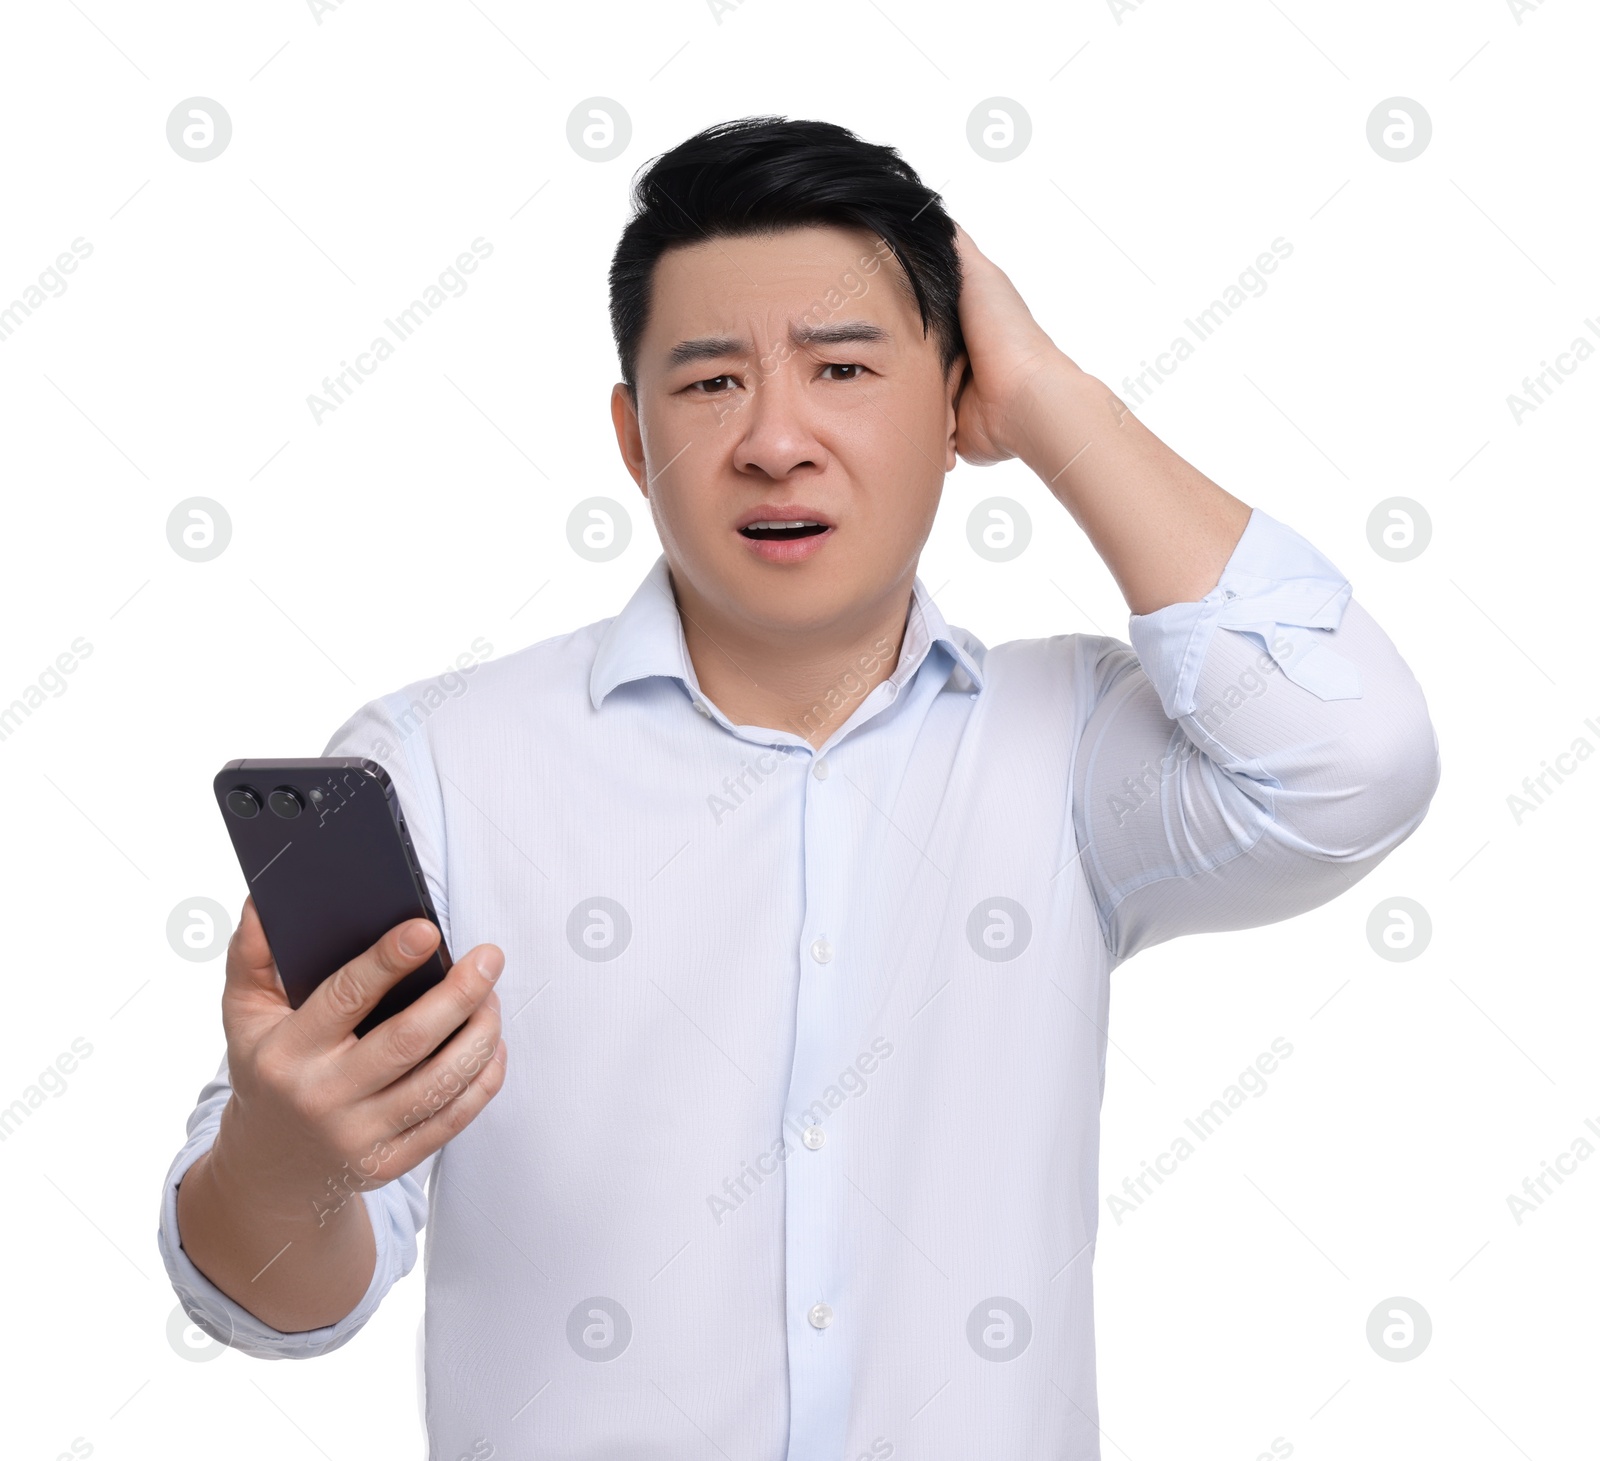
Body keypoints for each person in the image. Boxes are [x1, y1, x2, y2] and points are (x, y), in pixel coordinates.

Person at [158, 116, 1440, 1460]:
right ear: (632, 436)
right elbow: (266, 1301)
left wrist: (1053, 397)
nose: (776, 440)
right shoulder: (438, 765)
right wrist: (285, 1152)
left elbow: (1355, 760)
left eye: (842, 367)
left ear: (956, 404)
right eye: (709, 384)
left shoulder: (1068, 743)